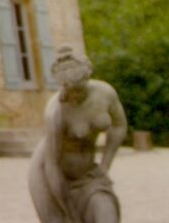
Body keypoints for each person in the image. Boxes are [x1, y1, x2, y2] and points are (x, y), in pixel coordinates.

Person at [28, 45, 127, 223]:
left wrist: (105, 165)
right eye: (70, 91)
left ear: (87, 78)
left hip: (88, 173)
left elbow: (119, 125)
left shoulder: (105, 93)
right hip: (49, 173)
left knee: (107, 214)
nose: (75, 95)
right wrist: (66, 207)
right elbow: (52, 165)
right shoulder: (56, 112)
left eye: (80, 90)